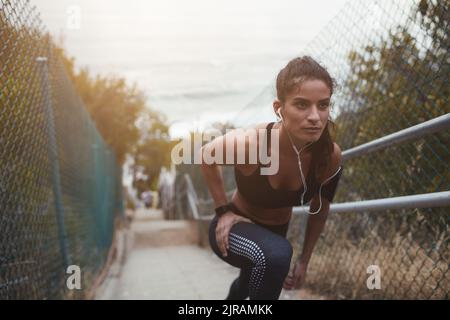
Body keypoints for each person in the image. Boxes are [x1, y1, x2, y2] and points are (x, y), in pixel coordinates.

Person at [200, 56, 344, 300]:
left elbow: (320, 209)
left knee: (250, 282)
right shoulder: (252, 144)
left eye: (323, 105)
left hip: (276, 232)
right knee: (276, 256)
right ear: (279, 108)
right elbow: (206, 155)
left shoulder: (329, 156)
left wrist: (304, 261)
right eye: (301, 105)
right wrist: (222, 210)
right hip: (233, 230)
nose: (315, 117)